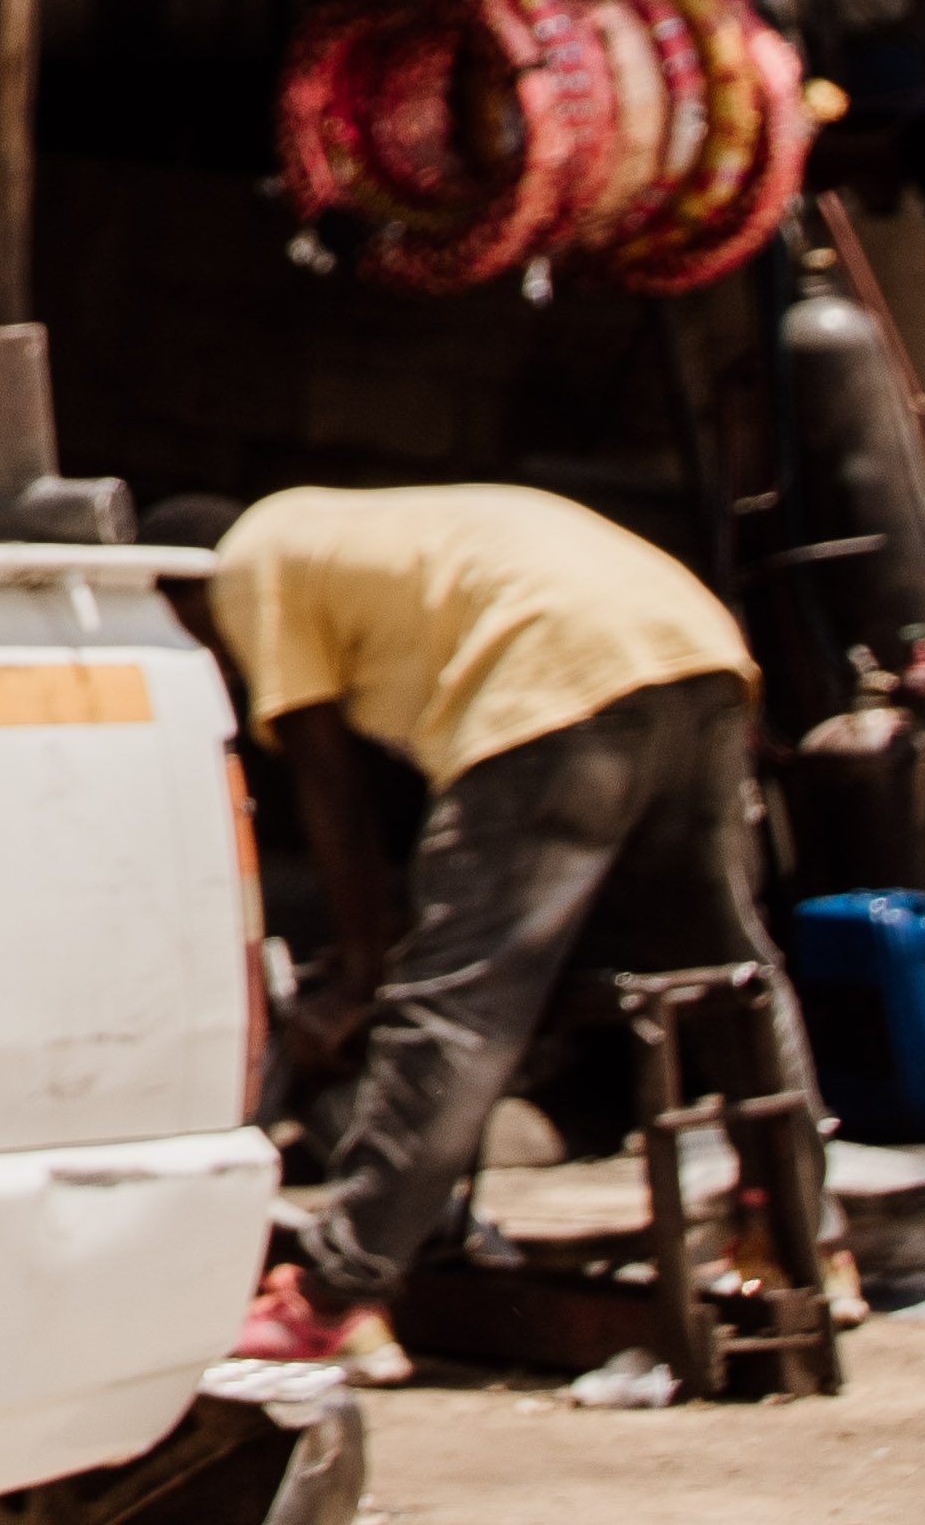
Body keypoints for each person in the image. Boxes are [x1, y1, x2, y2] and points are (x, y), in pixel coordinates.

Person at [186, 478, 789, 1382]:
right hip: (689, 646)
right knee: (726, 970)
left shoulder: (247, 564)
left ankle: (333, 1296)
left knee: (457, 1005)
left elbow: (329, 789)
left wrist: (359, 974)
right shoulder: (342, 531)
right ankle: (800, 1235)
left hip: (552, 671)